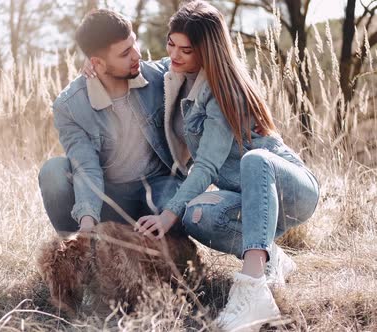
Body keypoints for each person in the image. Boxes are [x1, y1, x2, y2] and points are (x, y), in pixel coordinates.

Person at [132, 1, 320, 331]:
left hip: (289, 189)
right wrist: (95, 68)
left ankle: (252, 290)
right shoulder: (179, 73)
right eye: (170, 44)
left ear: (206, 52)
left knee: (255, 159)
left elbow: (204, 167)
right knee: (197, 216)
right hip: (246, 196)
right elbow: (142, 69)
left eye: (186, 50)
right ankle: (271, 257)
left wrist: (167, 212)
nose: (175, 55)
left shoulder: (224, 92)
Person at [38, 9, 191, 236]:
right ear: (97, 64)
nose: (137, 55)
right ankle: (76, 254)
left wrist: (249, 114)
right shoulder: (70, 105)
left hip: (158, 186)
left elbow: (206, 60)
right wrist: (87, 221)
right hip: (109, 197)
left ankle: (171, 255)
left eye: (134, 43)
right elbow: (85, 166)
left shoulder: (161, 75)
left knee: (176, 207)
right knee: (53, 171)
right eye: (125, 53)